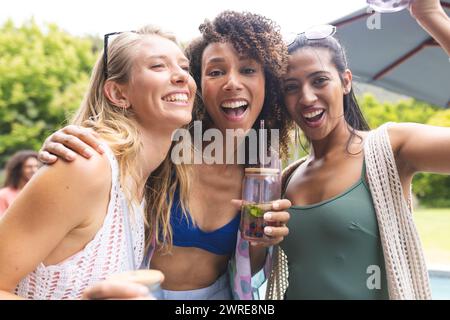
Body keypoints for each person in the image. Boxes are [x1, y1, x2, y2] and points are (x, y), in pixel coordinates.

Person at [38, 11, 292, 300]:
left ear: (267, 84)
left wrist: (263, 240)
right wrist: (68, 140)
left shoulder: (262, 170)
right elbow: (115, 139)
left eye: (248, 70)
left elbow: (248, 269)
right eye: (216, 71)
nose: (232, 82)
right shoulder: (166, 147)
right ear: (198, 85)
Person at [0, 25, 195, 299]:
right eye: (158, 66)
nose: (181, 77)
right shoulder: (85, 166)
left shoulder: (144, 181)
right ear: (118, 94)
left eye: (185, 68)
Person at [265, 23, 450, 300]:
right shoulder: (285, 179)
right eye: (291, 87)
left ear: (346, 81)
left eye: (319, 80)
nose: (306, 97)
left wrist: (433, 18)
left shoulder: (390, 148)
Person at [0, 150, 40, 215]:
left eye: (36, 166)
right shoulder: (3, 195)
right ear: (18, 169)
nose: (34, 170)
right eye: (29, 167)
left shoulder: (40, 192)